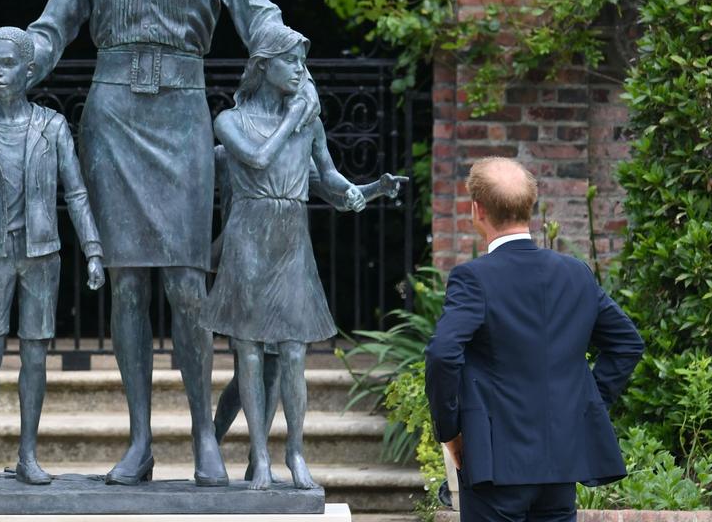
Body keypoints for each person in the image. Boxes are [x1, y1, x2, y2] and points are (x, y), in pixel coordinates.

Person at [23, 0, 318, 487]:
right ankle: (139, 441)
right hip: (114, 115)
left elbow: (257, 14)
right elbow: (54, 24)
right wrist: (18, 62)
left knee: (187, 283)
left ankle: (202, 439)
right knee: (127, 283)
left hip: (182, 115)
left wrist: (293, 64)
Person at [200, 27, 407, 490]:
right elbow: (255, 159)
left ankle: (294, 452)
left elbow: (329, 180)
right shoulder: (231, 121)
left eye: (301, 62)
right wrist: (294, 116)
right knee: (249, 351)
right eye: (290, 61)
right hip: (249, 237)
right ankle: (260, 458)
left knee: (293, 351)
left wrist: (370, 190)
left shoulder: (308, 123)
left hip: (291, 237)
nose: (299, 69)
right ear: (263, 67)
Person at [425, 157, 645, 522]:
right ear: (530, 206)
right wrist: (581, 405)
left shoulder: (473, 279)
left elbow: (443, 353)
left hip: (497, 464)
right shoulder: (575, 273)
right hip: (560, 461)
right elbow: (626, 343)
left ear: (477, 210)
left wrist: (450, 431)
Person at [0, 27, 105, 484]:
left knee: (35, 356)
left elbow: (78, 193)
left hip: (42, 253)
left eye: (7, 64)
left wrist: (93, 250)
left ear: (29, 70)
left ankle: (28, 454)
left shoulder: (51, 126)